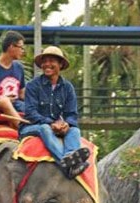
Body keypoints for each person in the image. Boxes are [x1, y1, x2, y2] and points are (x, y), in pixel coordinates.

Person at [20, 46, 90, 179]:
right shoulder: (33, 85)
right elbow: (30, 112)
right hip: (33, 126)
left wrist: (66, 124)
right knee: (45, 128)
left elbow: (71, 114)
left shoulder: (68, 87)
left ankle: (70, 155)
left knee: (75, 130)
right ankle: (65, 162)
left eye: (51, 61)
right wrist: (51, 123)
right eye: (44, 61)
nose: (47, 64)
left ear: (61, 64)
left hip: (57, 126)